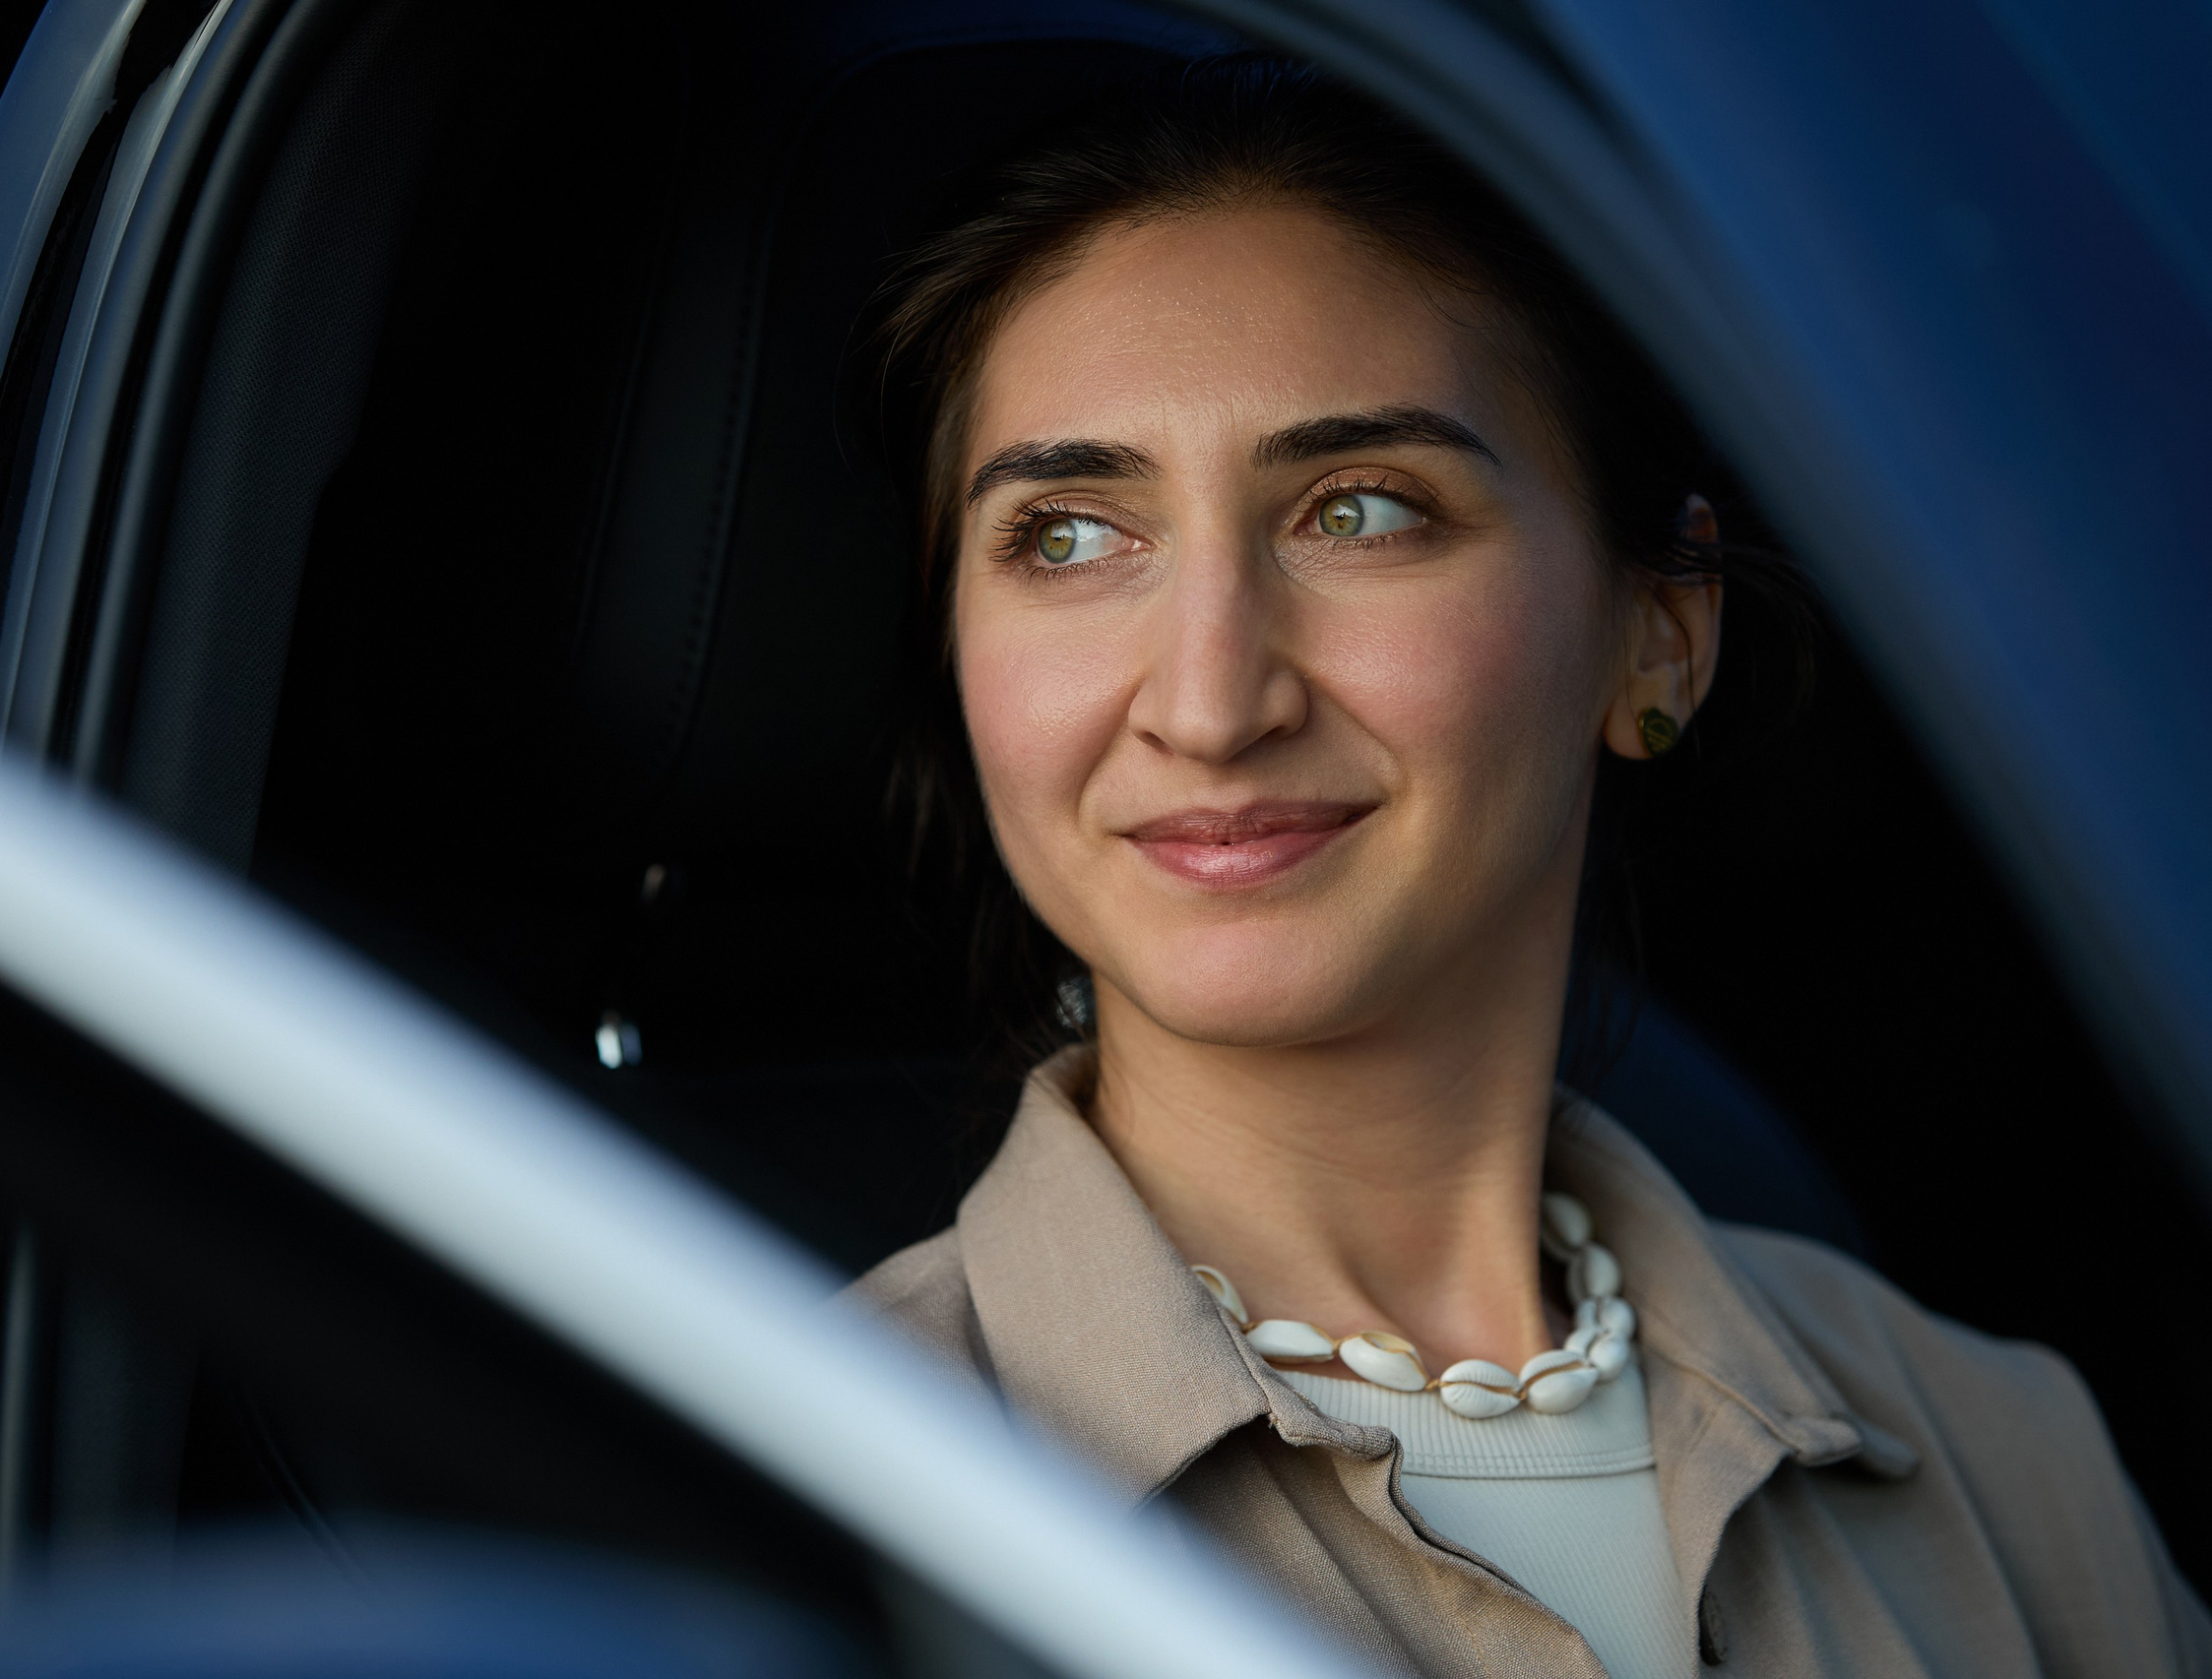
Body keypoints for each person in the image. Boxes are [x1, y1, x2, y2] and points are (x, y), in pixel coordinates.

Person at [852, 59, 2210, 1679]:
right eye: (1068, 535)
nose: (1213, 701)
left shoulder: (2007, 1463)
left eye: (1361, 510)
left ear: (1661, 631)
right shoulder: (788, 1483)